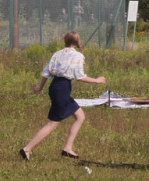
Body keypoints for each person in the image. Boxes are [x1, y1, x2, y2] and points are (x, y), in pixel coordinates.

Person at [20, 31, 106, 161]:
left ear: (64, 40)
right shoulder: (78, 56)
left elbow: (46, 72)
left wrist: (40, 87)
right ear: (77, 42)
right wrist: (97, 80)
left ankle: (68, 148)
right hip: (62, 90)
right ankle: (27, 149)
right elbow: (80, 76)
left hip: (55, 87)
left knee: (80, 116)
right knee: (52, 124)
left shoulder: (57, 54)